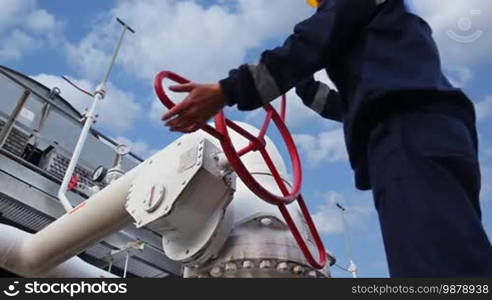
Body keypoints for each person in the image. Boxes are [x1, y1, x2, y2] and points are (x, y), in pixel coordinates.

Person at [162, 0, 492, 277]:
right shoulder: (393, 32)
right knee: (451, 252)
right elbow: (347, 104)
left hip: (406, 134)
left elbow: (312, 43)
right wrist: (303, 85)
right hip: (431, 136)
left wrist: (226, 91)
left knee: (435, 265)